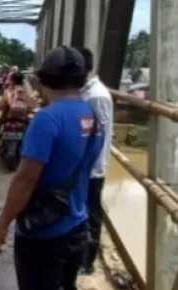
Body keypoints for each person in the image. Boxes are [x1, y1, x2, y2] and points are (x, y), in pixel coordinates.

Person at [0, 45, 104, 290]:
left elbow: (25, 179)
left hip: (45, 233)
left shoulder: (47, 120)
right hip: (77, 223)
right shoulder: (90, 115)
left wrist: (3, 223)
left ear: (45, 80)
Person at [77, 47, 114, 275]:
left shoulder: (97, 95)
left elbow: (98, 134)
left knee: (90, 213)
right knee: (83, 211)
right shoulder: (86, 91)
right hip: (84, 165)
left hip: (92, 167)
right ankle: (81, 255)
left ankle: (87, 262)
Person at [0, 72, 34, 147]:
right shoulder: (27, 91)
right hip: (23, 117)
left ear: (13, 80)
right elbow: (31, 103)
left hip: (10, 116)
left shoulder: (9, 90)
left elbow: (3, 102)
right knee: (32, 128)